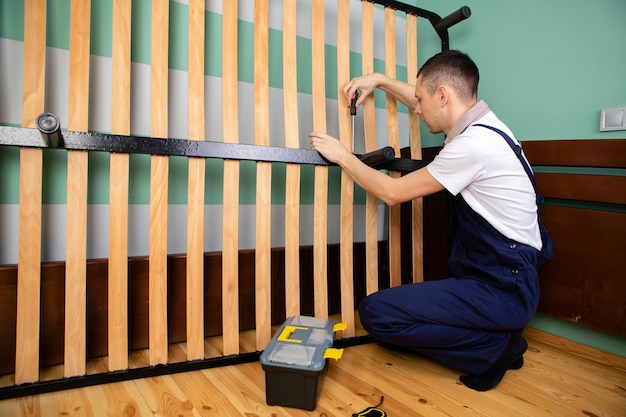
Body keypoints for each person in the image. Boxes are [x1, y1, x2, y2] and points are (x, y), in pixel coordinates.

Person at [309, 50, 551, 391]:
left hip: (504, 289)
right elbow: (425, 99)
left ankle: (495, 347)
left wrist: (342, 156)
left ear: (443, 96)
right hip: (509, 278)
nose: (417, 108)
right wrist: (378, 80)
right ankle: (497, 334)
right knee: (397, 324)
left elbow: (392, 193)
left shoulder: (472, 146)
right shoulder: (485, 125)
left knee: (377, 315)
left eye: (421, 100)